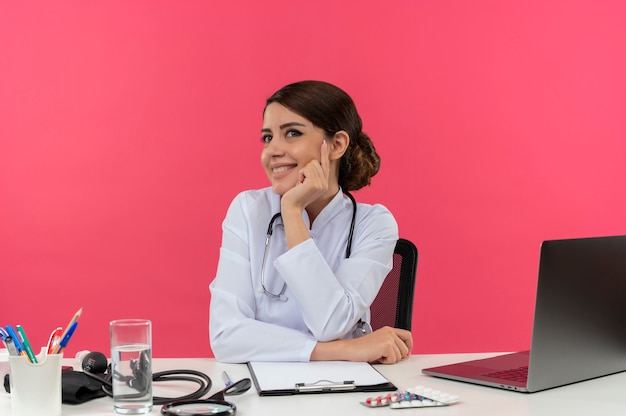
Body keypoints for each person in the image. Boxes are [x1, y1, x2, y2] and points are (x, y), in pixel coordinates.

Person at [209, 80, 412, 364]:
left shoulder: (373, 224)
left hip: (346, 390)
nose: (272, 150)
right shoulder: (248, 210)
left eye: (292, 133)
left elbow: (330, 324)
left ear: (336, 144)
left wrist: (292, 211)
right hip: (263, 390)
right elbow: (226, 336)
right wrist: (344, 350)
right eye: (267, 137)